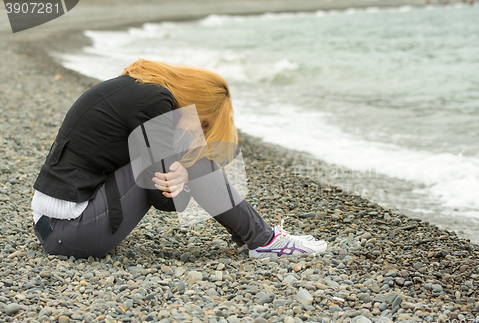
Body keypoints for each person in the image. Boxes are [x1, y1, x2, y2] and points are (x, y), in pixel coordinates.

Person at [31, 60, 327, 260]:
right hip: (70, 231)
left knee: (187, 162)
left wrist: (179, 170)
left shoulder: (139, 88)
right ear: (196, 104)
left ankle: (262, 238)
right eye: (204, 122)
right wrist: (185, 174)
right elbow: (164, 199)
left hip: (55, 224)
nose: (197, 129)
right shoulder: (155, 101)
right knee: (197, 163)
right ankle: (265, 241)